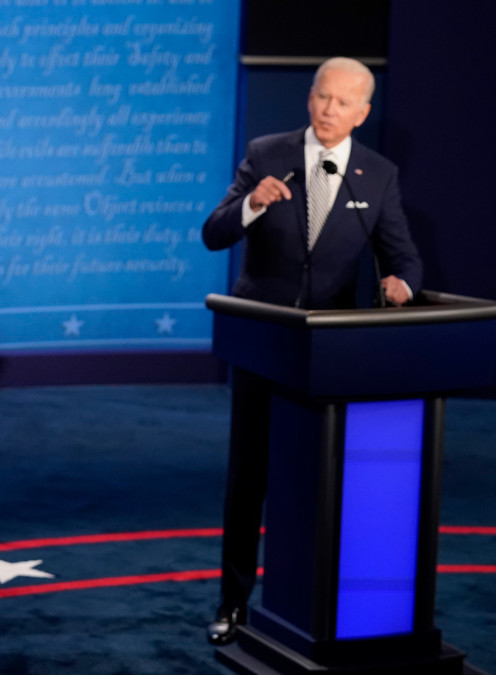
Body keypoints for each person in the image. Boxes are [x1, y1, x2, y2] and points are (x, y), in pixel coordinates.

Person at [200, 57, 423, 645]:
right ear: (309, 98)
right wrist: (252, 206)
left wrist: (402, 283)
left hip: (332, 354)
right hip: (264, 342)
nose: (329, 111)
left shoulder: (377, 174)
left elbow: (403, 255)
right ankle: (233, 603)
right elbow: (213, 232)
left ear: (362, 113)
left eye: (343, 103)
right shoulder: (266, 152)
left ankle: (314, 607)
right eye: (323, 98)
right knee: (249, 479)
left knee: (320, 482)